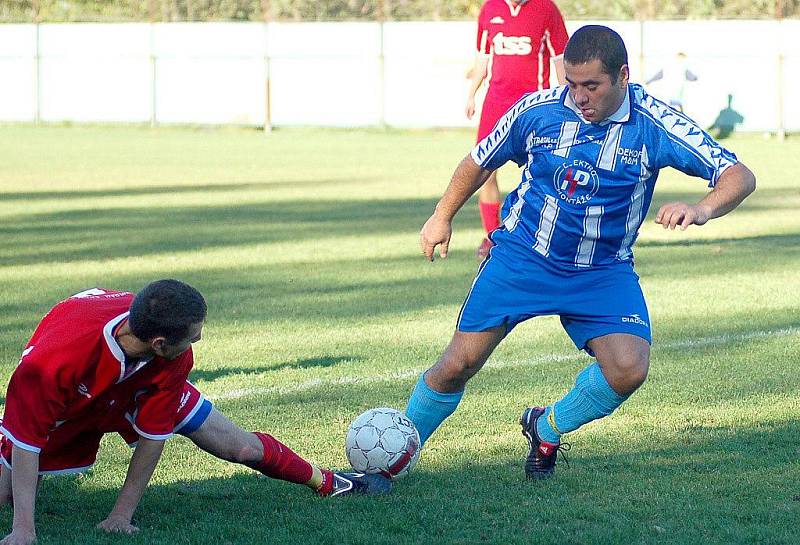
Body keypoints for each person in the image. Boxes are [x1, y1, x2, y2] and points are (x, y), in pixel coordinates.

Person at [407, 25, 756, 480]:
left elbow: (738, 175)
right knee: (458, 364)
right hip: (523, 258)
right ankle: (394, 457)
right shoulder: (538, 111)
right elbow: (480, 161)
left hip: (602, 272)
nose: (578, 96)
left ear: (623, 76)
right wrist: (442, 215)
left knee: (628, 369)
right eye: (572, 84)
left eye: (591, 85)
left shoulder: (655, 124)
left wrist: (702, 208)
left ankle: (546, 425)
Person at [0, 283, 387, 545]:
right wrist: (23, 530)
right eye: (194, 335)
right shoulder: (51, 367)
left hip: (141, 381)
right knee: (8, 490)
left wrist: (121, 515)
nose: (198, 341)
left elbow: (154, 438)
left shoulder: (171, 353)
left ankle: (331, 482)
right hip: (73, 398)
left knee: (240, 448)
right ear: (160, 342)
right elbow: (27, 441)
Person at [466, 0, 569, 259]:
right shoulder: (490, 9)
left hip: (532, 106)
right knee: (484, 170)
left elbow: (560, 60)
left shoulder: (546, 9)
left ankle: (550, 234)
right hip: (495, 103)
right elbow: (482, 58)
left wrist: (569, 100)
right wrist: (471, 95)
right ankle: (492, 236)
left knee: (547, 169)